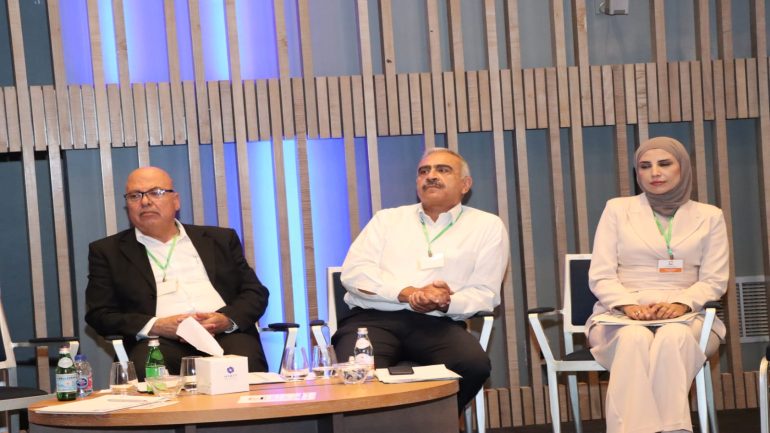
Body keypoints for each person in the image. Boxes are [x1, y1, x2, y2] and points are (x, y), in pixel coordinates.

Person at [333, 148, 510, 412]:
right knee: (356, 377)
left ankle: (435, 423)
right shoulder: (387, 219)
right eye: (424, 171)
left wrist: (444, 301)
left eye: (443, 170)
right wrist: (407, 293)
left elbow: (485, 293)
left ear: (465, 185)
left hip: (438, 323)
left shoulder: (487, 226)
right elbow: (354, 273)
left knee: (473, 365)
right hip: (373, 319)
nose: (431, 176)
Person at [587, 136, 728, 433]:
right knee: (633, 338)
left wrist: (681, 304)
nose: (655, 173)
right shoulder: (617, 209)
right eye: (645, 166)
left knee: (673, 336)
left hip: (689, 312)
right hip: (621, 313)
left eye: (664, 164)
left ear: (683, 168)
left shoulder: (710, 215)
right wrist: (627, 305)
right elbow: (600, 274)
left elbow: (715, 280)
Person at [85, 167, 269, 378]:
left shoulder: (220, 239)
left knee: (246, 363)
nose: (145, 201)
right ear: (128, 205)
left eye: (156, 192)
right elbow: (100, 314)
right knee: (148, 367)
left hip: (223, 333)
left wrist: (226, 319)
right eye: (135, 196)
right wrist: (156, 325)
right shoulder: (108, 252)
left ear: (176, 201)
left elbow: (255, 293)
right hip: (158, 340)